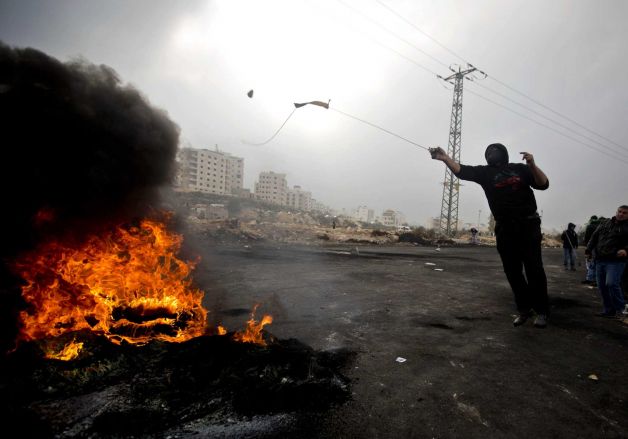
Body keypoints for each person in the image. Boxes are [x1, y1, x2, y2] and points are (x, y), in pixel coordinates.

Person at [430, 143, 550, 328]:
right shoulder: (485, 173)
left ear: (504, 154)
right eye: (489, 152)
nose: (492, 154)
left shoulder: (520, 169)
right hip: (505, 228)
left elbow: (543, 184)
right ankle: (524, 309)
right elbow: (462, 171)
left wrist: (532, 164)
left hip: (528, 225)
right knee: (512, 272)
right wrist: (445, 158)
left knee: (534, 269)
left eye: (496, 151)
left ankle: (542, 311)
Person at [584, 205, 628, 318]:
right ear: (616, 211)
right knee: (602, 286)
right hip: (600, 259)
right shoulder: (605, 222)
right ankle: (609, 310)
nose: (621, 214)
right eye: (620, 211)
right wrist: (588, 249)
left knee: (612, 283)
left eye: (624, 213)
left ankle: (622, 309)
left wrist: (625, 250)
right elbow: (594, 236)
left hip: (615, 261)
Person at [582, 215, 600, 285]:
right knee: (596, 263)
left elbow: (587, 238)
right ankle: (595, 279)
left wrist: (587, 247)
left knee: (590, 263)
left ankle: (590, 279)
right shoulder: (600, 226)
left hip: (591, 247)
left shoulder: (589, 226)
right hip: (599, 247)